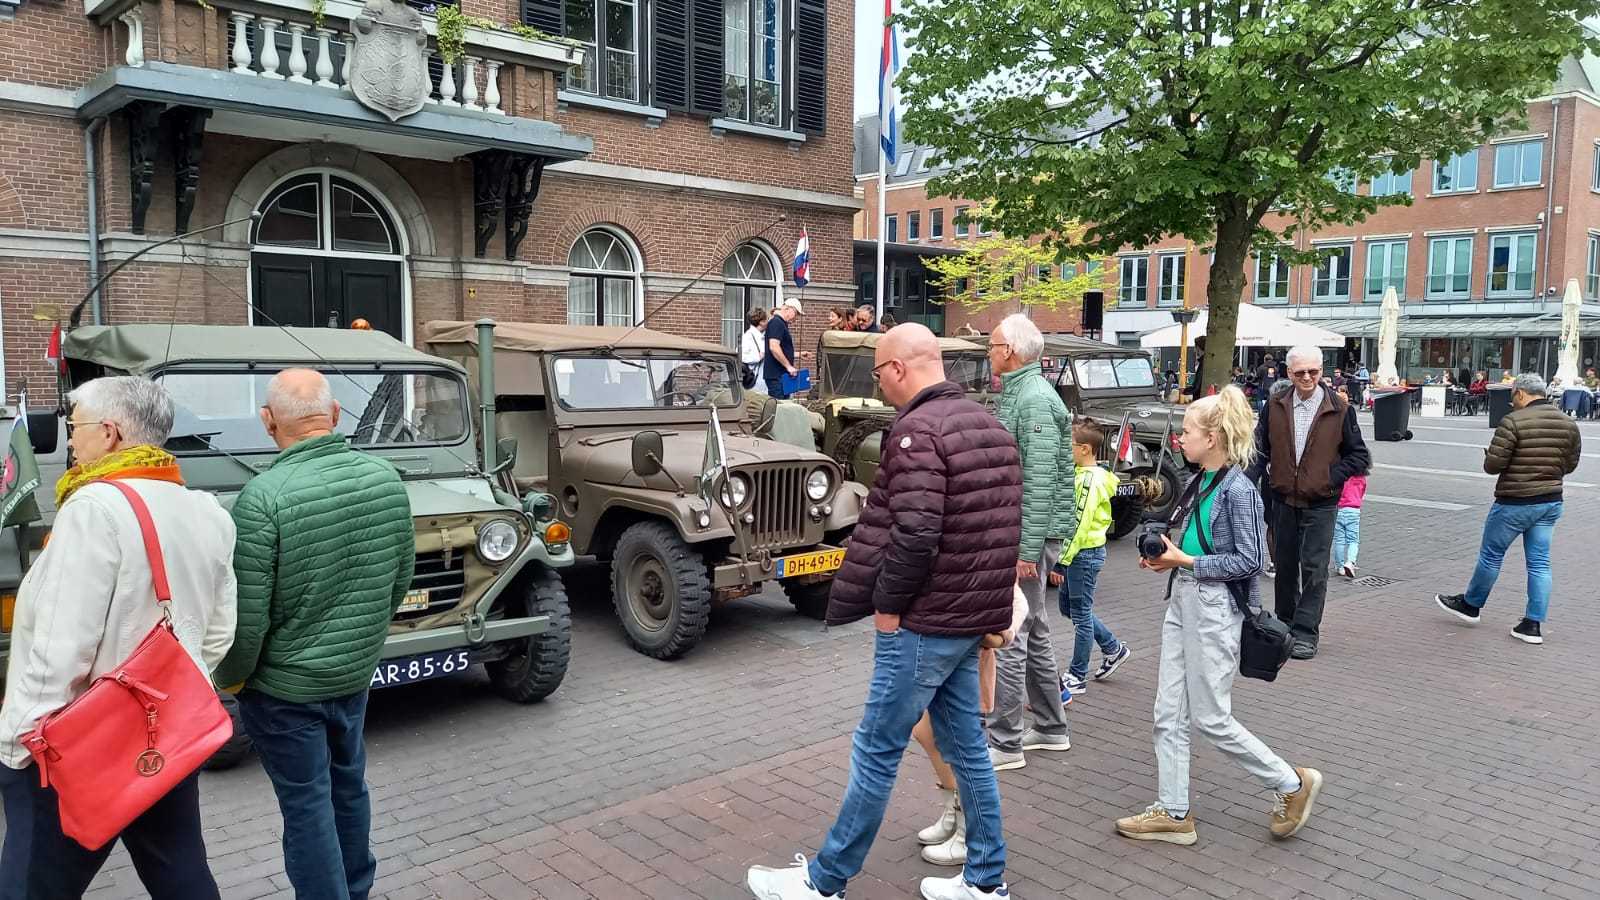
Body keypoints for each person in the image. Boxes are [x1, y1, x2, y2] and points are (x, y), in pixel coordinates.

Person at [746, 323, 1020, 900]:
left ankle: (824, 882)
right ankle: (985, 879)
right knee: (968, 749)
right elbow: (999, 528)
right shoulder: (988, 425)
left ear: (898, 368)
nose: (878, 385)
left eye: (877, 373)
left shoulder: (917, 432)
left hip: (926, 620)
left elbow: (915, 533)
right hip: (967, 617)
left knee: (876, 749)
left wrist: (889, 606)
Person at [0, 376, 236, 898]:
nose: (70, 438)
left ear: (110, 432)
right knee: (180, 873)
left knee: (32, 884)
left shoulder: (93, 508)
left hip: (75, 742)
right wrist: (169, 693)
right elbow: (218, 631)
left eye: (75, 425)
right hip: (163, 733)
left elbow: (61, 647)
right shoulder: (207, 511)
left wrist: (17, 744)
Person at [213, 369, 415, 900]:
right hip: (353, 676)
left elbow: (248, 619)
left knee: (307, 807)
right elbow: (399, 579)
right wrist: (364, 644)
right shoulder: (385, 479)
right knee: (349, 789)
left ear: (267, 421)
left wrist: (230, 680)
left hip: (285, 692)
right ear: (336, 415)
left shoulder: (262, 498)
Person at [1116, 385, 1323, 847]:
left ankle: (1291, 783)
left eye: (1188, 431)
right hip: (1184, 599)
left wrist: (1186, 562)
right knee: (1167, 713)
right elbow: (1198, 543)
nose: (1180, 438)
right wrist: (1168, 559)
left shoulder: (1238, 489)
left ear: (1212, 438)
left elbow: (1250, 560)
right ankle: (1174, 810)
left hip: (1213, 608)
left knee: (1210, 717)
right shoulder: (1201, 481)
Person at [984, 313, 1074, 770]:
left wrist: (1025, 549)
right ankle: (1051, 728)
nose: (989, 351)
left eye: (993, 345)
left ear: (1011, 352)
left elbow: (1038, 482)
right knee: (1034, 627)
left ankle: (1005, 742)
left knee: (1013, 630)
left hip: (1028, 536)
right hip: (1030, 533)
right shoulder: (1027, 392)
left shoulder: (1034, 398)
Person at [1435, 374, 1581, 645]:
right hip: (1550, 501)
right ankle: (1532, 624)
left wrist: (1491, 457)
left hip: (1515, 502)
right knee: (1539, 563)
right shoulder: (1568, 423)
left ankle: (1471, 605)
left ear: (1521, 394)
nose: (1512, 402)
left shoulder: (1513, 421)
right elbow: (1571, 464)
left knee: (1491, 556)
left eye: (1513, 396)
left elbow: (1494, 465)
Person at [1248, 346, 1370, 660]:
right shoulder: (1275, 405)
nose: (1306, 377)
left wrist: (1330, 477)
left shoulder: (1339, 409)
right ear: (1289, 373)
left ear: (1321, 371)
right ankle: (1285, 626)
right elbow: (1260, 450)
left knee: (1314, 569)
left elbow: (1359, 456)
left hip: (1321, 502)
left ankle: (1305, 632)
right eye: (1300, 372)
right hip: (1282, 499)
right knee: (1285, 566)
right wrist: (1246, 482)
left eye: (1313, 371)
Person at [1054, 419, 1132, 698]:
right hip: (1080, 554)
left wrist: (1061, 560)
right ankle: (1112, 647)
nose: (1066, 449)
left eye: (1069, 445)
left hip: (1083, 555)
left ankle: (1077, 675)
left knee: (1080, 615)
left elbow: (1078, 523)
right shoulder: (1083, 474)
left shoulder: (1089, 481)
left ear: (1085, 449)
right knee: (1071, 608)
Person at [764, 298, 803, 398]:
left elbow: (781, 350)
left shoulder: (779, 323)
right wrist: (788, 366)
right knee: (780, 405)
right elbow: (774, 347)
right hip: (777, 376)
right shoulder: (777, 322)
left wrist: (799, 354)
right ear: (787, 309)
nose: (796, 319)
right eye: (796, 314)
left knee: (784, 405)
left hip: (780, 376)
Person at [1332, 467, 1366, 580]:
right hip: (1354, 510)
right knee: (1353, 540)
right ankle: (1350, 562)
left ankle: (1340, 566)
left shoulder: (1341, 476)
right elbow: (1361, 493)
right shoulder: (1361, 478)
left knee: (1339, 540)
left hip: (1339, 509)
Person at [742, 308, 770, 394]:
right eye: (767, 319)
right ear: (761, 322)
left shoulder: (764, 335)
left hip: (762, 381)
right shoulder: (748, 337)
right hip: (755, 382)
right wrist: (758, 357)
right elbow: (742, 357)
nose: (768, 321)